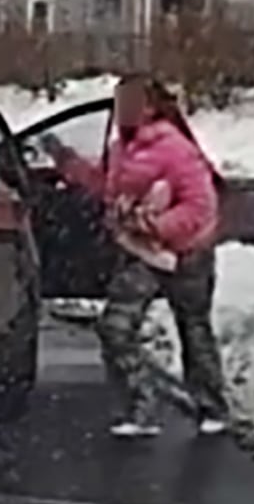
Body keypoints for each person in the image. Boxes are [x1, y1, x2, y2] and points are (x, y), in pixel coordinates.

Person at [41, 75, 229, 438]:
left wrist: (158, 227)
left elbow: (201, 205)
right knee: (116, 327)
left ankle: (212, 406)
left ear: (150, 107)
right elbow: (105, 185)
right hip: (140, 254)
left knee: (194, 330)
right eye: (118, 102)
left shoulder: (175, 149)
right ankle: (139, 407)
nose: (122, 110)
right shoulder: (122, 148)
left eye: (129, 102)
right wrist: (66, 162)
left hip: (188, 254)